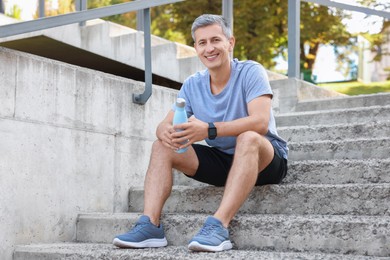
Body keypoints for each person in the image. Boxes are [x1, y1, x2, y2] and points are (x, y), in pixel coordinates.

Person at [113, 14, 288, 252]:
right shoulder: (192, 84)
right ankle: (150, 225)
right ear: (195, 47)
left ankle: (218, 226)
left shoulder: (250, 71)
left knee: (248, 138)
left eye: (215, 40)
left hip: (265, 161)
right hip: (224, 162)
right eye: (202, 42)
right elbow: (164, 125)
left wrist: (208, 129)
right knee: (160, 146)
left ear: (230, 43)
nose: (209, 48)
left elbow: (260, 123)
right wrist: (166, 133)